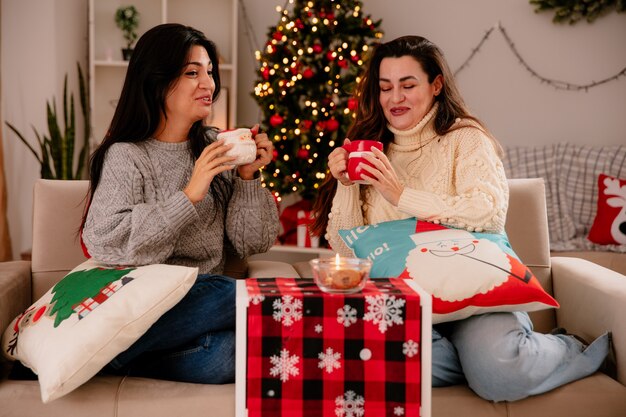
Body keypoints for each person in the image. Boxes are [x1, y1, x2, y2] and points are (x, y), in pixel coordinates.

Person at [311, 35, 609, 402]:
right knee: (372, 360)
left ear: (436, 85)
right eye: (385, 87)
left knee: (503, 376)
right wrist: (344, 185)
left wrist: (401, 196)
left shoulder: (466, 139)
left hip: (475, 295)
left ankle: (567, 347)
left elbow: (489, 210)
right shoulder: (366, 147)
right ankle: (481, 361)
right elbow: (345, 247)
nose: (394, 98)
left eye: (408, 85)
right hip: (409, 303)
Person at [81, 23, 279, 384]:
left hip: (199, 310)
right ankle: (116, 349)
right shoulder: (127, 156)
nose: (209, 84)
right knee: (224, 292)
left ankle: (118, 359)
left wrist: (248, 178)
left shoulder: (215, 146)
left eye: (209, 72)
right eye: (192, 73)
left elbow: (253, 243)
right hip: (146, 301)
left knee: (229, 354)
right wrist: (189, 195)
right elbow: (105, 241)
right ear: (157, 81)